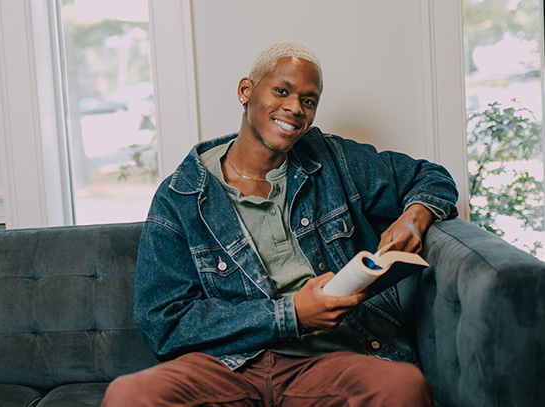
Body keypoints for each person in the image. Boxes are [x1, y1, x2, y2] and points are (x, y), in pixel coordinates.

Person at [102, 41, 458, 406]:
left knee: (402, 386)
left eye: (308, 100)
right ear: (246, 91)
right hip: (230, 366)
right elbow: (165, 324)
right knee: (130, 395)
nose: (294, 108)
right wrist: (291, 316)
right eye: (282, 91)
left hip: (329, 361)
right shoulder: (181, 195)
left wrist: (416, 216)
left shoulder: (334, 159)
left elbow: (430, 177)